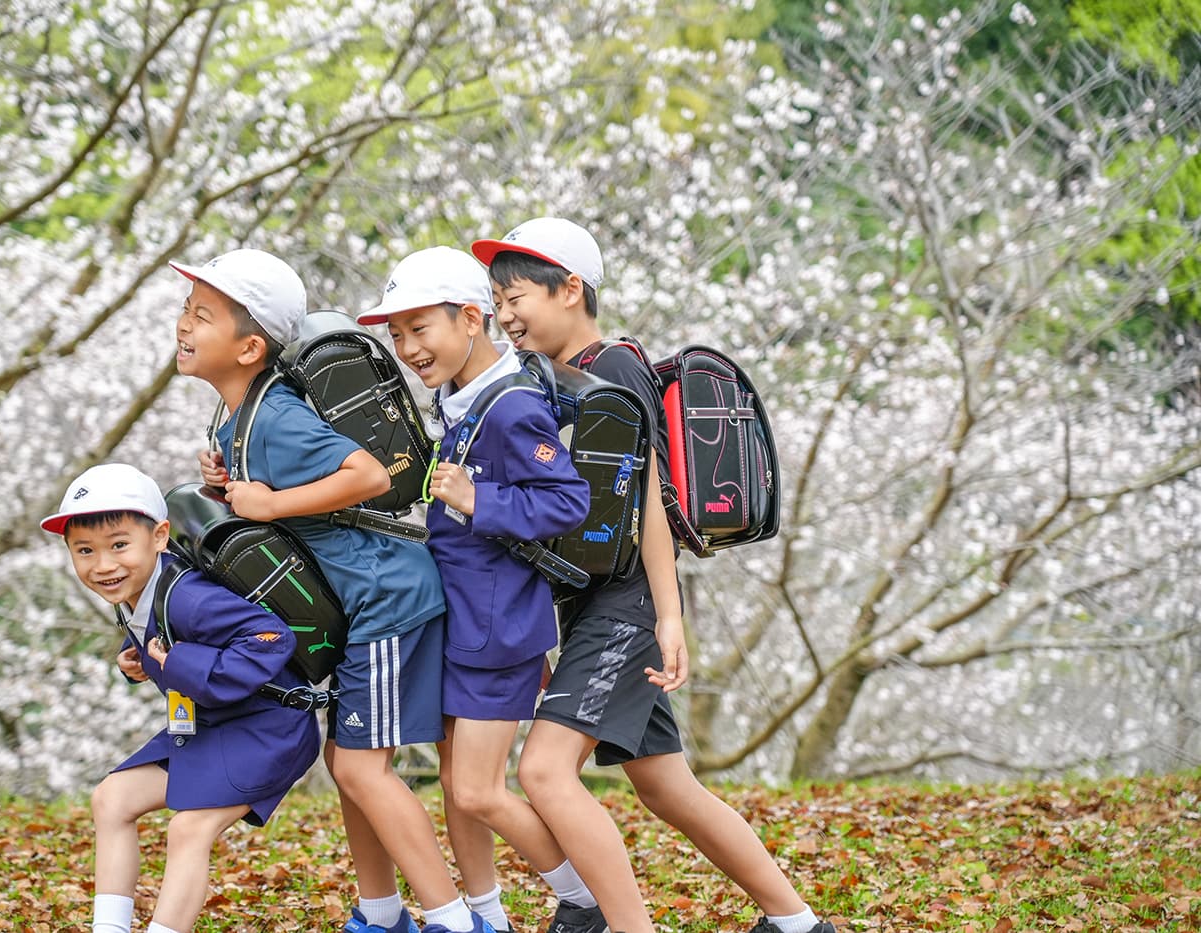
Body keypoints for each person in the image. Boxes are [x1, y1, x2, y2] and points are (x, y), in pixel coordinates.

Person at [471, 218, 837, 933]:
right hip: (600, 607)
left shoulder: (611, 370)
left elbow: (649, 505)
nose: (505, 314)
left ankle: (616, 922)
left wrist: (667, 616)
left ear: (571, 288)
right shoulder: (557, 379)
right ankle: (797, 923)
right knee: (667, 785)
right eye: (496, 299)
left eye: (516, 296)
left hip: (626, 604)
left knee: (543, 772)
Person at [171, 247, 492, 933]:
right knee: (346, 760)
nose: (183, 325)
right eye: (186, 311)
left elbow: (369, 475)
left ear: (251, 345)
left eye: (201, 315)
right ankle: (380, 911)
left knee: (361, 767)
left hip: (384, 597)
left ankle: (450, 918)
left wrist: (266, 506)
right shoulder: (237, 418)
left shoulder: (276, 414)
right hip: (361, 601)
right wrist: (227, 488)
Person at [357, 246, 604, 933]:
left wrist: (479, 496)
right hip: (461, 621)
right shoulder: (459, 401)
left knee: (477, 787)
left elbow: (566, 500)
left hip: (499, 630)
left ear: (471, 318)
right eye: (396, 334)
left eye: (419, 329)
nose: (408, 348)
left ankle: (586, 897)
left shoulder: (510, 405)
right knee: (456, 785)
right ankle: (485, 915)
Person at [40, 462, 321, 933]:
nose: (103, 565)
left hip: (267, 730)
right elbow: (170, 645)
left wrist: (177, 664)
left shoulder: (189, 595)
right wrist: (138, 662)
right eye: (84, 551)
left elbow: (271, 638)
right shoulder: (136, 591)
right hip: (213, 723)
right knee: (112, 800)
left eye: (119, 545)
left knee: (189, 829)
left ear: (159, 536)